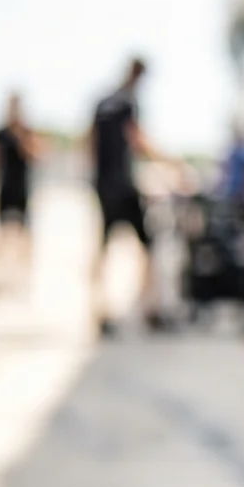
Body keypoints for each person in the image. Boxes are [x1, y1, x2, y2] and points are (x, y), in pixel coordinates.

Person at [89, 57, 167, 335]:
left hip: (103, 185)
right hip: (123, 186)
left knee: (103, 247)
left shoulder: (102, 102)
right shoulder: (128, 103)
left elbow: (90, 144)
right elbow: (137, 139)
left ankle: (99, 310)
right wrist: (170, 163)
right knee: (149, 246)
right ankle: (149, 309)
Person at [0, 92, 41, 299]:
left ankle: (24, 278)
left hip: (22, 190)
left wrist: (21, 138)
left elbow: (37, 155)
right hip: (4, 189)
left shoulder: (26, 131)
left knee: (25, 236)